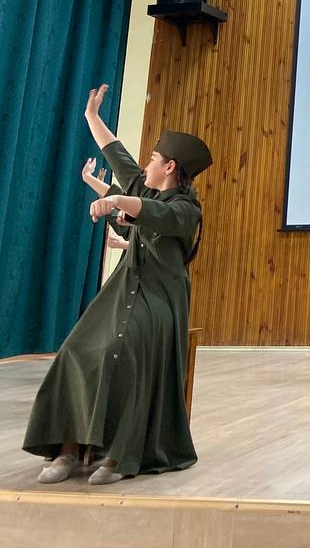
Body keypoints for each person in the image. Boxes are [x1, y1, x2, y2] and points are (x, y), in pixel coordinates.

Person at [23, 85, 210, 484]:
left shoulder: (186, 209)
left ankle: (119, 455)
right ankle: (68, 449)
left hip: (161, 297)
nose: (146, 164)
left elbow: (154, 213)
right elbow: (117, 154)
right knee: (75, 349)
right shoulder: (142, 186)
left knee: (119, 352)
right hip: (124, 285)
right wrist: (92, 116)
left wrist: (115, 201)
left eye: (154, 159)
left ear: (170, 167)